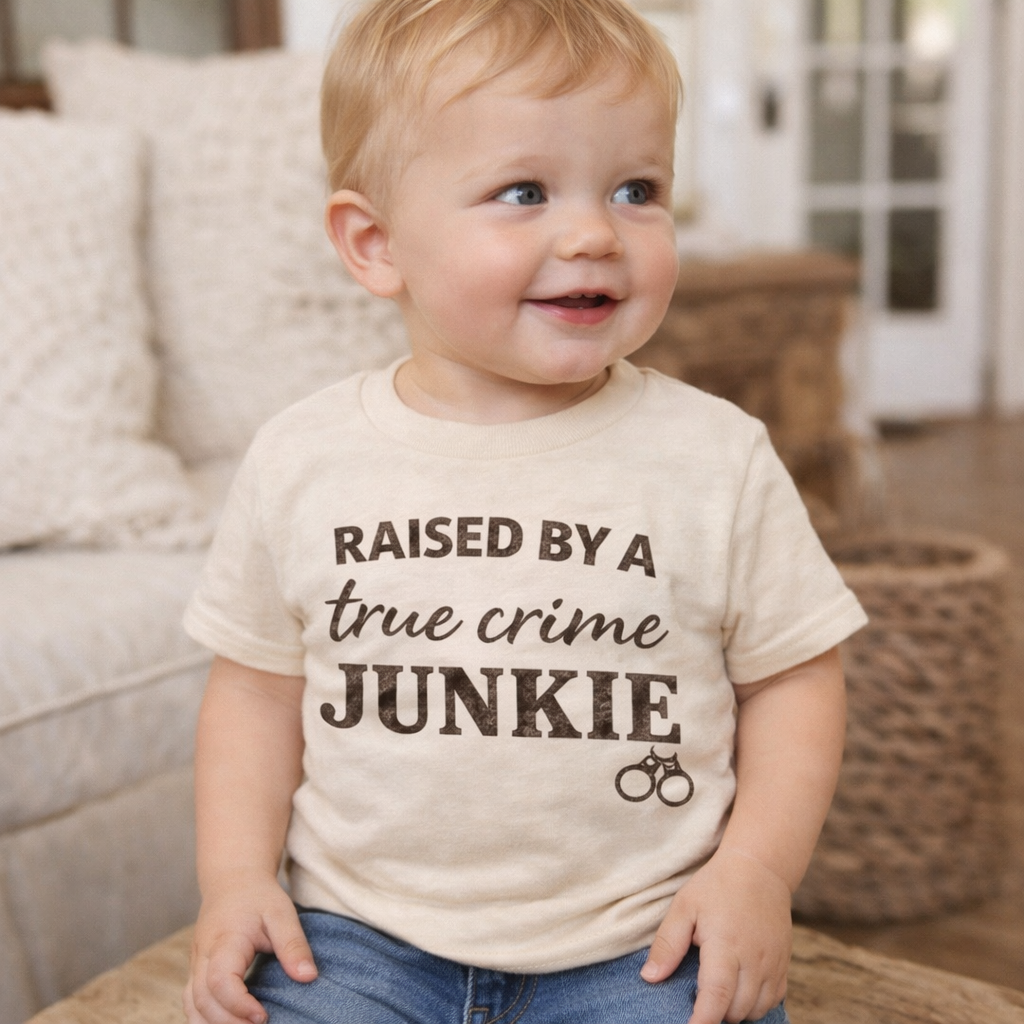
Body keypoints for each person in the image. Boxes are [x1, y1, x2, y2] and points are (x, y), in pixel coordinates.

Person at [181, 1, 867, 1022]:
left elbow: (795, 677)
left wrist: (756, 872)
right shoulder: (302, 458)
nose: (594, 233)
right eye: (524, 192)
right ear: (375, 243)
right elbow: (253, 692)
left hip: (642, 939)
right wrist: (235, 879)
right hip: (359, 937)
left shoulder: (716, 458)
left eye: (636, 190)